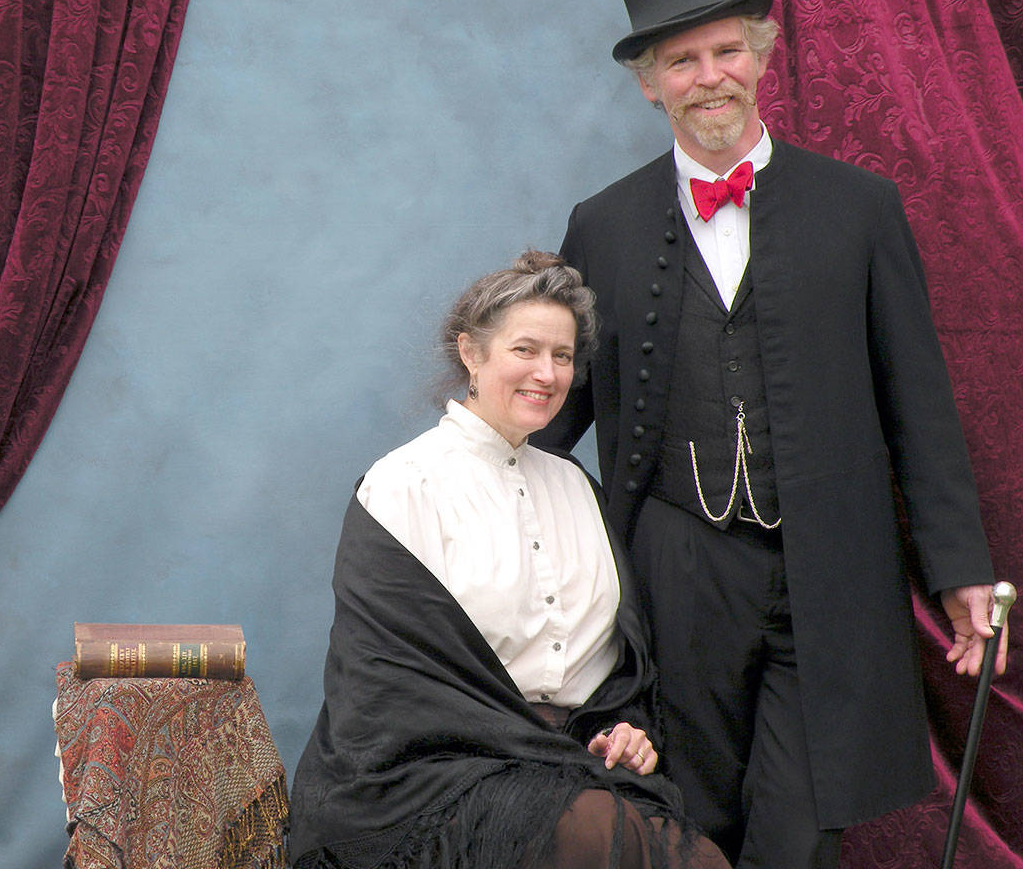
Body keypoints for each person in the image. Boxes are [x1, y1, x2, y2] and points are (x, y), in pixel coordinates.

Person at [532, 0, 1008, 869]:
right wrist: (453, 478)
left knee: (798, 828)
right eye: (682, 61)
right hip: (672, 571)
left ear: (763, 53)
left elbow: (918, 400)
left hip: (825, 568)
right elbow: (557, 403)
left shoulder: (860, 208)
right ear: (648, 83)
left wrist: (959, 567)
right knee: (688, 819)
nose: (710, 78)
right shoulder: (603, 224)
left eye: (727, 51)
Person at [289, 251, 728, 869]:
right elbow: (387, 691)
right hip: (432, 776)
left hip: (573, 762)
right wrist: (544, 752)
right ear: (471, 353)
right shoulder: (401, 486)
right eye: (525, 350)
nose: (546, 374)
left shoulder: (577, 487)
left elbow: (614, 668)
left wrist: (622, 730)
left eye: (563, 356)